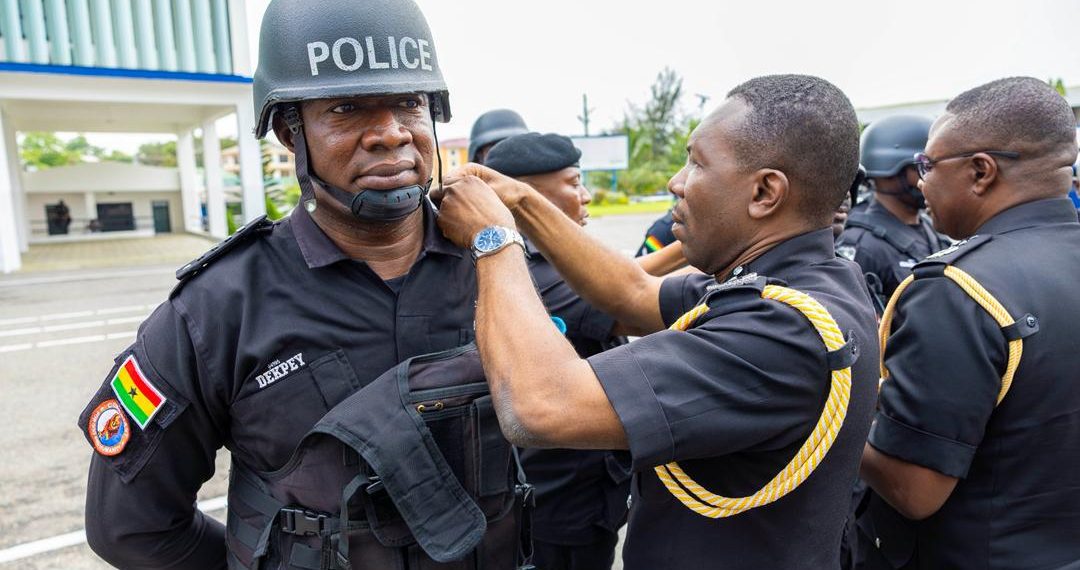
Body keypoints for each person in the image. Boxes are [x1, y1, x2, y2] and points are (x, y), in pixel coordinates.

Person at [77, 1, 523, 568]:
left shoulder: (497, 263)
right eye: (347, 108)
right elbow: (131, 527)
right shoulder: (218, 307)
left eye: (410, 103)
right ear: (291, 132)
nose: (390, 134)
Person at [437, 74, 880, 569]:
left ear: (764, 192)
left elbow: (540, 406)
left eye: (697, 162)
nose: (677, 181)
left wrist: (494, 240)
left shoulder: (782, 330)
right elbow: (631, 292)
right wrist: (522, 202)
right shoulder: (801, 282)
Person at [861, 77, 1080, 569]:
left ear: (981, 172)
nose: (921, 182)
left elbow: (914, 488)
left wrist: (828, 410)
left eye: (928, 165)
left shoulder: (957, 290)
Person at [483, 132, 630, 570]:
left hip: (586, 484)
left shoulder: (554, 261)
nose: (586, 196)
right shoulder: (533, 273)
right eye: (574, 183)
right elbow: (633, 300)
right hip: (563, 494)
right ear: (526, 194)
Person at [836, 115, 951, 312]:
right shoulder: (862, 244)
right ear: (889, 169)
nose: (929, 177)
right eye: (922, 168)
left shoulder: (930, 227)